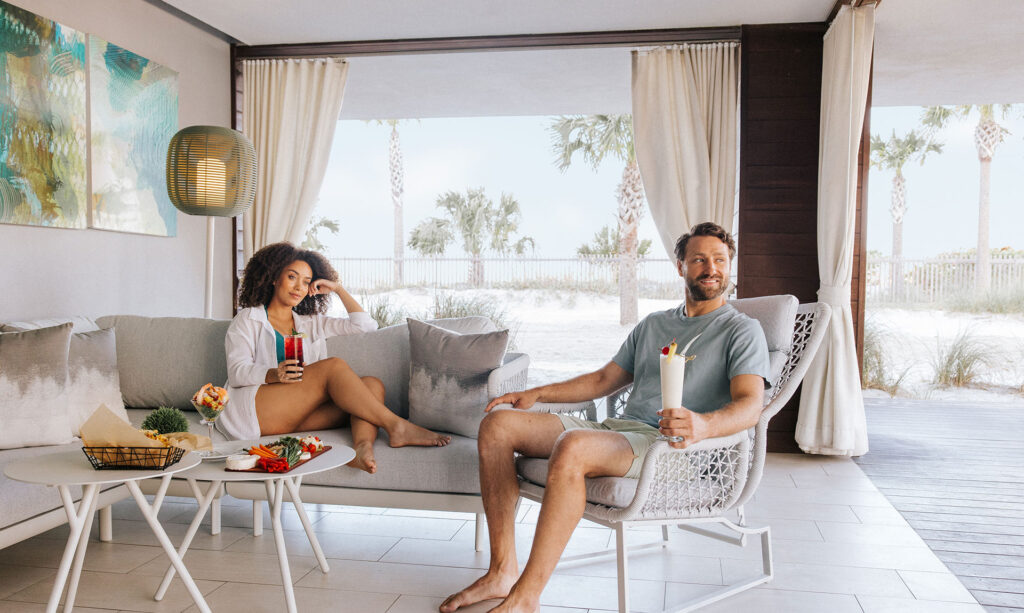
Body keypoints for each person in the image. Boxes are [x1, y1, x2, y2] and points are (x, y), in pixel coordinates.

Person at [440, 222, 771, 613]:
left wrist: (703, 425)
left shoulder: (741, 331)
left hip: (673, 448)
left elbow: (751, 405)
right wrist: (537, 393)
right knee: (497, 426)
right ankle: (501, 571)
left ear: (730, 267)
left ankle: (526, 597)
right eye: (699, 259)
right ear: (680, 266)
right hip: (620, 433)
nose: (711, 268)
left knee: (574, 447)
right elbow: (603, 379)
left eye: (720, 260)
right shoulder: (654, 324)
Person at [220, 242, 450, 474]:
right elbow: (237, 372)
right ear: (273, 278)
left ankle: (361, 448)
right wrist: (273, 374)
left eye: (306, 281)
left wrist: (338, 289)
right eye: (292, 277)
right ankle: (397, 425)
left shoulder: (311, 322)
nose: (299, 286)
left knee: (371, 385)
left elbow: (366, 326)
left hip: (295, 414)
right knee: (332, 367)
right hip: (254, 411)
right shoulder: (249, 319)